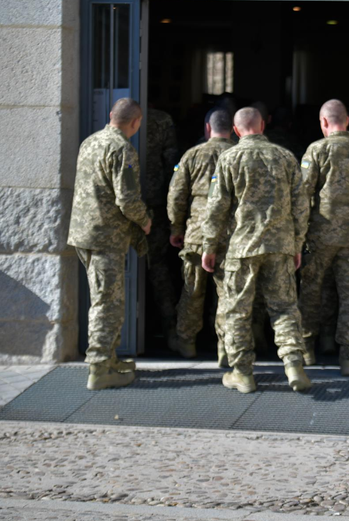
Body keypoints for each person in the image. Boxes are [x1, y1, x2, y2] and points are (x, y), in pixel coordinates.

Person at [202, 107, 311, 393]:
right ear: (262, 125)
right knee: (285, 306)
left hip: (242, 247)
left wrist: (209, 246)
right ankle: (293, 365)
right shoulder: (286, 157)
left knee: (237, 310)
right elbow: (302, 206)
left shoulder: (229, 158)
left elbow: (216, 208)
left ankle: (243, 373)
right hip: (281, 245)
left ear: (236, 130)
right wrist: (297, 243)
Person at [67, 98, 151, 390]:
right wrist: (145, 221)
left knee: (108, 298)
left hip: (85, 234)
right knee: (107, 303)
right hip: (106, 237)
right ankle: (100, 368)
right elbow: (127, 198)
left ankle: (110, 358)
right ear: (135, 122)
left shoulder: (90, 142)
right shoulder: (122, 149)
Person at [299, 99, 349, 375]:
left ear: (324, 122)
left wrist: (299, 235)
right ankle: (348, 358)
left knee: (311, 292)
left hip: (319, 236)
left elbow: (302, 197)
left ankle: (307, 351)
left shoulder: (317, 150)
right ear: (347, 121)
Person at [168, 109, 235, 364]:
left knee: (192, 290)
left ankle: (186, 342)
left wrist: (176, 228)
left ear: (208, 128)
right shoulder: (238, 155)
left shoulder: (192, 155)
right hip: (229, 236)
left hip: (197, 234)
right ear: (234, 129)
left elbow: (176, 195)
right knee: (227, 293)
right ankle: (225, 348)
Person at [144, 107, 180, 350]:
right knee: (157, 267)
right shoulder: (162, 119)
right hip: (155, 203)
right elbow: (172, 163)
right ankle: (170, 329)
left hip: (127, 208)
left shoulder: (113, 115)